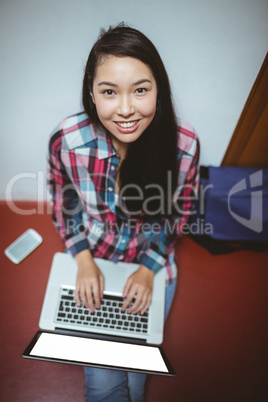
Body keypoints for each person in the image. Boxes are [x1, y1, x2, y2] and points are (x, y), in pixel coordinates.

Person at [48, 23, 199, 402]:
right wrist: (83, 260)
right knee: (103, 387)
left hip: (152, 260)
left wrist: (148, 270)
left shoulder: (185, 144)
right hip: (93, 255)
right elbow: (62, 202)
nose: (127, 109)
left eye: (141, 90)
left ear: (158, 90)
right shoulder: (67, 140)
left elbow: (178, 213)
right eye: (110, 92)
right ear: (92, 94)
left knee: (135, 379)